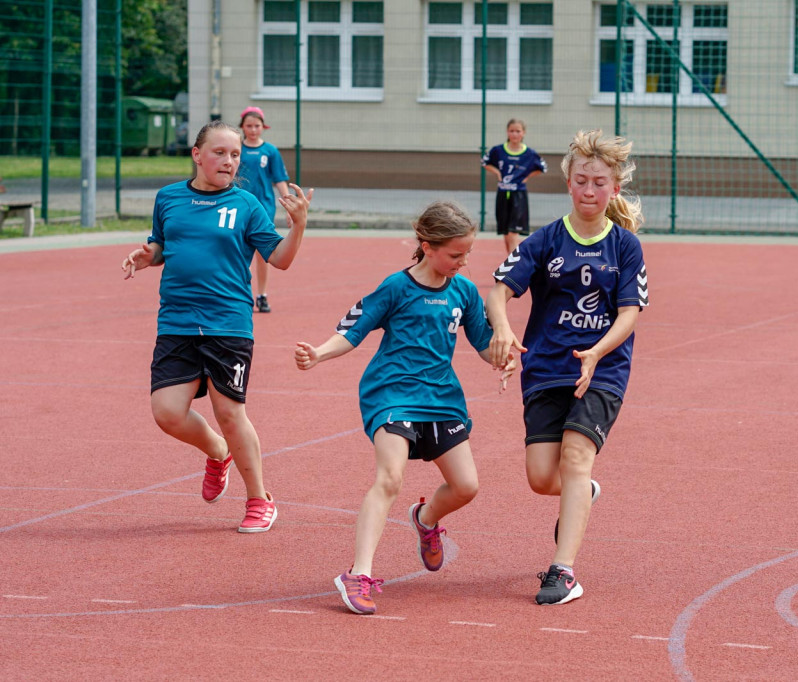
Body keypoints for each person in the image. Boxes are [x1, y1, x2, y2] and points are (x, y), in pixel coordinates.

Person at [294, 201, 514, 615]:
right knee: (389, 478)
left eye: (467, 254)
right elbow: (353, 330)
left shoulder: (464, 291)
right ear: (427, 246)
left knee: (467, 487)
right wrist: (319, 354)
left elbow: (485, 346)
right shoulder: (396, 287)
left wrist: (504, 357)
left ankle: (425, 519)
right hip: (392, 395)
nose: (462, 262)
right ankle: (357, 574)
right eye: (455, 254)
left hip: (442, 399)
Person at [121, 120, 313, 533]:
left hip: (228, 324)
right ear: (197, 154)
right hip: (176, 321)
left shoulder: (247, 205)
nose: (229, 161)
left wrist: (297, 225)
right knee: (167, 413)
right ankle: (216, 451)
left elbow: (279, 259)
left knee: (229, 411)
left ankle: (260, 499)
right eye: (220, 153)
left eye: (235, 155)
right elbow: (160, 243)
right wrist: (147, 256)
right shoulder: (169, 197)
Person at [485, 130, 649, 606]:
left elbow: (629, 313)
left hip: (603, 371)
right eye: (582, 181)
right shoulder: (544, 241)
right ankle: (585, 491)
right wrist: (500, 328)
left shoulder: (625, 247)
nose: (591, 191)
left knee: (576, 456)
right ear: (569, 185)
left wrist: (597, 352)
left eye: (600, 182)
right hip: (546, 369)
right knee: (542, 478)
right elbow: (498, 292)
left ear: (614, 188)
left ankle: (563, 571)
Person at [237, 106, 290, 313]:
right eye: (249, 126)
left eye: (256, 126)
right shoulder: (236, 149)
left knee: (262, 253)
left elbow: (279, 180)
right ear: (242, 127)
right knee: (237, 250)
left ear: (263, 127)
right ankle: (242, 294)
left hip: (263, 207)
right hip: (240, 206)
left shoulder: (270, 151)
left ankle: (262, 295)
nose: (252, 129)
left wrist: (289, 206)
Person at [482, 118, 548, 255]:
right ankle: (510, 261)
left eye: (518, 131)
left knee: (513, 233)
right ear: (507, 132)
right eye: (512, 131)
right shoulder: (498, 150)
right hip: (502, 194)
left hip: (518, 195)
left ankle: (514, 267)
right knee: (506, 233)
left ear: (523, 133)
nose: (514, 134)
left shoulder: (529, 153)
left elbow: (542, 168)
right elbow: (485, 162)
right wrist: (497, 173)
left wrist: (527, 177)